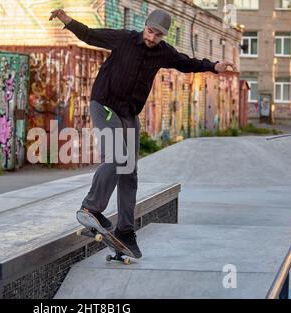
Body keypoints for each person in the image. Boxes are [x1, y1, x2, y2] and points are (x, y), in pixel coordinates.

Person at [49, 8, 236, 257]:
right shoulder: (124, 39)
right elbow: (90, 35)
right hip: (104, 105)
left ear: (163, 35)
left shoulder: (162, 52)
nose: (151, 38)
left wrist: (213, 66)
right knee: (117, 157)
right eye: (149, 32)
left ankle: (125, 231)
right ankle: (90, 208)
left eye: (158, 35)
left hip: (129, 114)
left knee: (129, 172)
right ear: (144, 26)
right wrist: (66, 20)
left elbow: (185, 63)